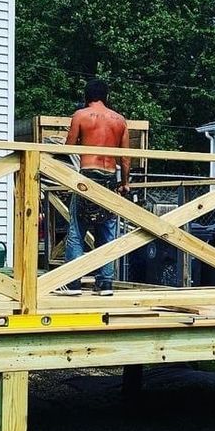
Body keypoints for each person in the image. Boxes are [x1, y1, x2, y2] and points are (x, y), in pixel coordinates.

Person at [59, 78, 130, 296]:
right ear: (106, 96)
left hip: (87, 176)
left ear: (86, 96)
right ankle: (106, 283)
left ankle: (73, 283)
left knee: (77, 230)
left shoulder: (80, 116)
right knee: (107, 230)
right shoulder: (119, 120)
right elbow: (126, 158)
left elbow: (68, 149)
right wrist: (125, 183)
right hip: (109, 177)